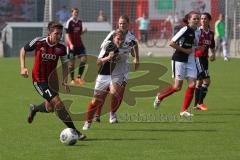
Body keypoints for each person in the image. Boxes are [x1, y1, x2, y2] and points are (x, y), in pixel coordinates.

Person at [19, 21, 86, 140]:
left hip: (52, 81)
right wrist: (23, 67)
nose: (59, 36)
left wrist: (65, 80)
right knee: (58, 104)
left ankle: (34, 108)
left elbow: (65, 64)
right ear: (49, 32)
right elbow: (23, 50)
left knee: (50, 108)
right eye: (56, 33)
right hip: (39, 81)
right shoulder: (39, 42)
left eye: (60, 34)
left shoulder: (61, 47)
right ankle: (76, 132)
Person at [90, 15, 139, 124]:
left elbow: (134, 46)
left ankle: (112, 114)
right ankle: (97, 114)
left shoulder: (131, 37)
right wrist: (111, 53)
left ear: (128, 24)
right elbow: (103, 46)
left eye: (124, 23)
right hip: (111, 66)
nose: (122, 25)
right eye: (120, 23)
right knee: (105, 91)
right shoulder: (113, 34)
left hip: (123, 68)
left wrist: (136, 58)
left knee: (119, 93)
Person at [153, 11, 200, 117]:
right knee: (177, 87)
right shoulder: (184, 30)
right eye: (194, 19)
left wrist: (197, 47)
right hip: (179, 60)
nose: (197, 20)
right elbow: (171, 43)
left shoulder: (197, 31)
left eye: (198, 18)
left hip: (191, 60)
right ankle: (160, 97)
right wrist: (185, 50)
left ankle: (183, 111)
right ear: (189, 20)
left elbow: (194, 43)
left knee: (192, 85)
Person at [82, 29, 124, 130]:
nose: (120, 41)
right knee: (95, 101)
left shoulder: (118, 48)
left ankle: (111, 115)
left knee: (114, 92)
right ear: (114, 38)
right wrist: (108, 57)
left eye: (122, 39)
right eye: (118, 39)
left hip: (114, 76)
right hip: (103, 76)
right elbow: (98, 62)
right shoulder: (109, 46)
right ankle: (87, 122)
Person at [194, 12, 216, 111]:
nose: (202, 20)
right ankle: (200, 103)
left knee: (199, 82)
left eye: (205, 18)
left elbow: (212, 46)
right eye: (201, 19)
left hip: (205, 59)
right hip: (198, 58)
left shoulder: (211, 34)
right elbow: (192, 44)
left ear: (209, 20)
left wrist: (213, 54)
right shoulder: (197, 32)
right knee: (207, 80)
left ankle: (195, 105)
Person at [65, 8, 87, 85]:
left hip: (79, 45)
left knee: (84, 59)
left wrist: (83, 31)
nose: (76, 14)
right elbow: (67, 35)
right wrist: (70, 44)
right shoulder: (69, 22)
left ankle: (79, 78)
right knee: (72, 63)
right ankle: (72, 79)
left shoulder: (80, 22)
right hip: (71, 45)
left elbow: (79, 33)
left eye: (77, 12)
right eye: (75, 12)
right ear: (72, 13)